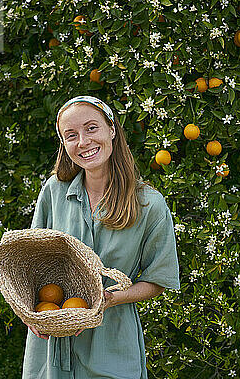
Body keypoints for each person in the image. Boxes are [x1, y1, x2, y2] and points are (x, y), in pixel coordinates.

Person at [21, 95, 181, 378]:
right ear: (64, 144)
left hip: (111, 346)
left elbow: (158, 280)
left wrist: (106, 299)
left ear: (111, 129)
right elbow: (29, 264)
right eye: (71, 135)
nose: (83, 141)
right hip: (49, 346)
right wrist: (28, 310)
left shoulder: (149, 204)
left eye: (91, 128)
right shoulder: (54, 192)